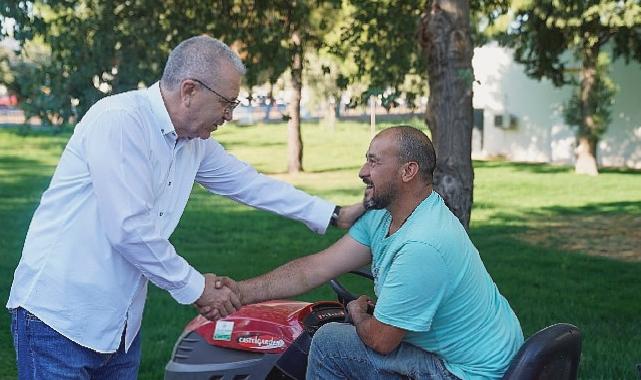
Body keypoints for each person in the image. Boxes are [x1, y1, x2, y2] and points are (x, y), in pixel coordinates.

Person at [6, 35, 363, 379]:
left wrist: (333, 213)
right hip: (59, 318)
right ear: (189, 90)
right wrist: (196, 287)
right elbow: (129, 229)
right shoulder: (119, 120)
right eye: (227, 102)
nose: (228, 115)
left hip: (118, 325)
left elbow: (250, 184)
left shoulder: (192, 142)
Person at [206, 126, 524, 379]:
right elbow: (314, 269)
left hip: (469, 372)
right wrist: (240, 292)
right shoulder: (384, 216)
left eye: (374, 161)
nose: (362, 171)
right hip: (477, 353)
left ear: (408, 171)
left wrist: (358, 314)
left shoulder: (422, 245)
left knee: (330, 344)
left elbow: (381, 341)